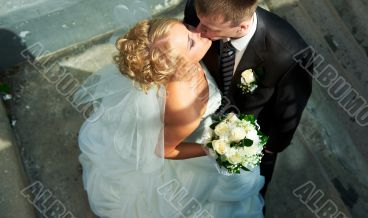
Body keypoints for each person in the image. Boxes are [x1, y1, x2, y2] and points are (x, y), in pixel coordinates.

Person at [75, 18, 265, 217]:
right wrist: (213, 148)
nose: (199, 32)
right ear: (176, 68)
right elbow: (164, 150)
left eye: (188, 28)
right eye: (191, 42)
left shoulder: (178, 56)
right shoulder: (185, 109)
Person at [183, 0, 313, 198]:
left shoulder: (290, 55)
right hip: (199, 115)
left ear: (241, 27)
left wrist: (266, 149)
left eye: (209, 29)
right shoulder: (199, 7)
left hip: (247, 137)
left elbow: (288, 113)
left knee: (247, 194)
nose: (198, 31)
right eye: (199, 22)